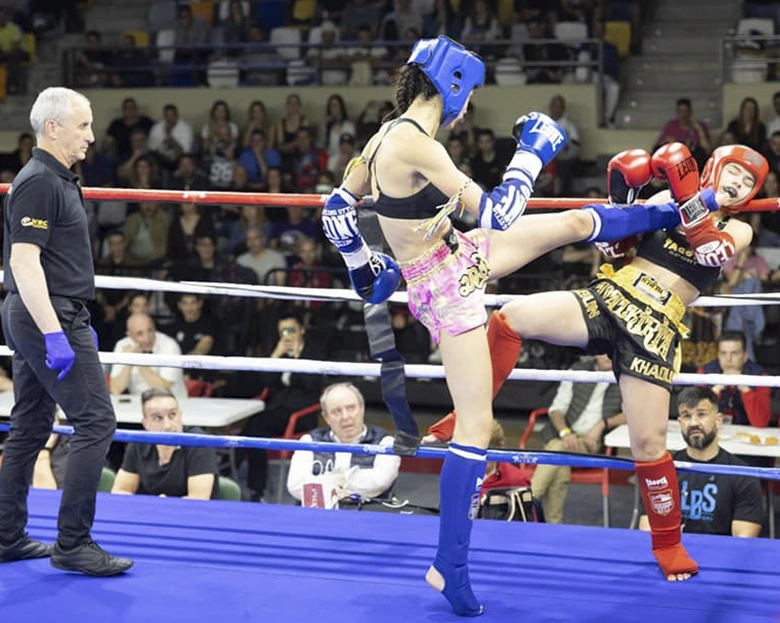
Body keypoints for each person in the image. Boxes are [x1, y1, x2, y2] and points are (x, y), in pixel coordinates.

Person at [320, 36, 728, 614]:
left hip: (458, 256)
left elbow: (338, 204)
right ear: (453, 86)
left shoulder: (385, 134)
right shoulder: (416, 144)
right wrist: (531, 153)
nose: (468, 107)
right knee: (476, 430)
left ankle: (680, 208)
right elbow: (498, 211)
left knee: (574, 224)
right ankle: (448, 567)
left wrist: (366, 268)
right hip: (449, 287)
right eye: (468, 94)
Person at [441, 142, 768, 582]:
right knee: (511, 317)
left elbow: (711, 250)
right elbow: (616, 249)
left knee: (648, 445)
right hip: (611, 296)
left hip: (656, 323)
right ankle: (465, 413)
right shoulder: (665, 197)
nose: (739, 185)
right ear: (714, 168)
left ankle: (668, 544)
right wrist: (624, 199)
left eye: (749, 182)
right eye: (734, 173)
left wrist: (690, 196)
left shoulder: (739, 228)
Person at [0, 87, 132, 575]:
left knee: (31, 424)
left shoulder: (54, 178)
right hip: (46, 313)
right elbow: (23, 261)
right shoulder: (39, 181)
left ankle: (5, 535)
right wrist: (54, 332)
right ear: (52, 128)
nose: (91, 136)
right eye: (83, 126)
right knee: (96, 421)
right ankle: (73, 543)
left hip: (48, 311)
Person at [639, 387, 764, 537]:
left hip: (720, 551)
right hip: (673, 549)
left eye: (701, 414)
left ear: (718, 421)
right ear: (680, 422)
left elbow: (743, 541)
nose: (693, 423)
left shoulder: (742, 475)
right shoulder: (661, 472)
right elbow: (648, 534)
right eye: (687, 416)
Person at [286, 382, 401, 502]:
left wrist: (331, 483)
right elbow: (295, 485)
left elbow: (379, 482)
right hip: (320, 511)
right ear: (326, 417)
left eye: (351, 408)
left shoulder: (385, 442)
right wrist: (346, 483)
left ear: (362, 408)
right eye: (336, 411)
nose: (345, 417)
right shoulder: (309, 441)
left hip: (367, 511)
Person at [111, 388, 219, 499]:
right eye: (158, 418)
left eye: (172, 415)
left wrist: (164, 504)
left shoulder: (199, 442)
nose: (167, 426)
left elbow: (198, 499)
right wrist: (153, 505)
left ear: (180, 416)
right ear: (146, 423)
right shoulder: (139, 443)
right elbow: (119, 491)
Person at [698, 330, 772, 428]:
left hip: (746, 432)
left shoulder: (760, 376)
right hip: (713, 431)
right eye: (723, 353)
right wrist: (716, 390)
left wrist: (745, 389)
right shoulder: (705, 372)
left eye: (734, 353)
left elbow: (761, 423)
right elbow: (697, 418)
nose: (728, 359)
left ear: (745, 356)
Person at [109, 312, 187, 398]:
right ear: (129, 335)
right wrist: (128, 362)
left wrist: (138, 361)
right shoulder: (122, 345)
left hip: (172, 401)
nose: (147, 338)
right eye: (140, 333)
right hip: (138, 402)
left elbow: (164, 388)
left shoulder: (170, 345)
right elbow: (116, 389)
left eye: (150, 330)